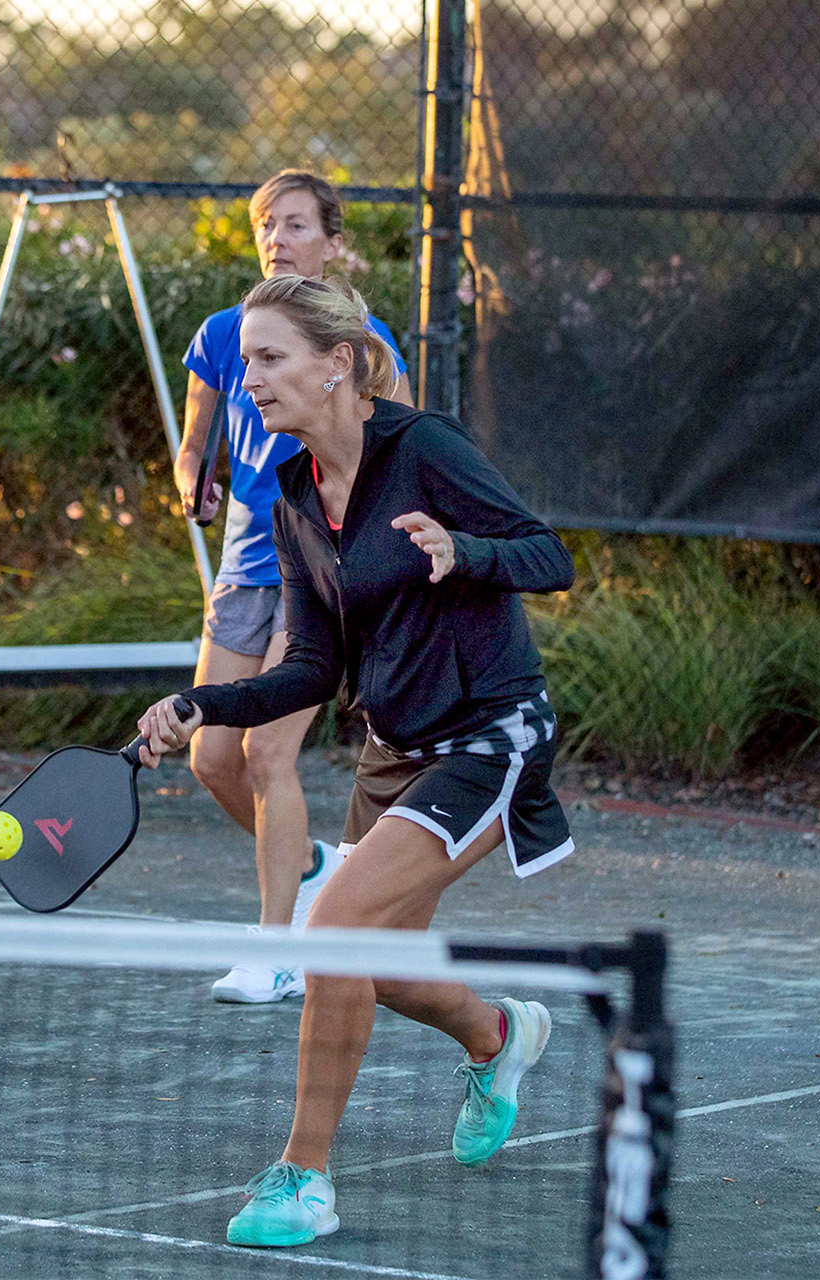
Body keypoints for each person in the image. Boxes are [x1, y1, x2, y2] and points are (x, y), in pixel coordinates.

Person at [138, 274, 577, 1247]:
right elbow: (313, 664)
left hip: (488, 734)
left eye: (269, 358)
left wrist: (465, 549)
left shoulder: (426, 447)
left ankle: (302, 1175)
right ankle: (497, 1034)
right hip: (393, 749)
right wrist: (198, 702)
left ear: (337, 362)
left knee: (330, 925)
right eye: (244, 360)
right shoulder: (291, 490)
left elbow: (550, 554)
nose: (248, 379)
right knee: (370, 963)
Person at [176, 170, 409, 1004]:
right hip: (245, 561)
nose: (279, 236)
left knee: (268, 750)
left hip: (318, 565)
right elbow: (195, 439)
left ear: (332, 240)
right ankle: (310, 866)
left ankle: (279, 948)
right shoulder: (222, 332)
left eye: (298, 224)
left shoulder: (367, 346)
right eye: (268, 223)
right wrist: (191, 475)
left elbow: (397, 456)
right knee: (211, 760)